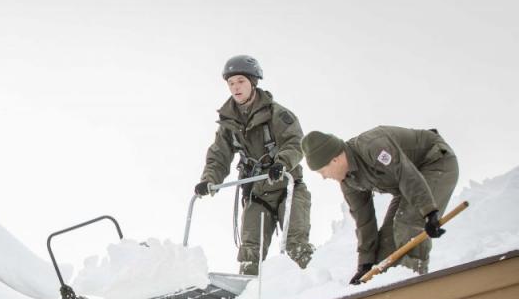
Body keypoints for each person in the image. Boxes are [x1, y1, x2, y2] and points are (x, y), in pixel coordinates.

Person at [194, 55, 314, 275]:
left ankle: (307, 289)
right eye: (231, 83)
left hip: (289, 187)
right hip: (258, 193)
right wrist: (209, 180)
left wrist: (282, 163)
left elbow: (296, 142)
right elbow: (219, 155)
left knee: (296, 245)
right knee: (249, 253)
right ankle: (249, 298)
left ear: (253, 82)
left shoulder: (277, 114)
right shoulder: (229, 123)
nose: (236, 88)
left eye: (240, 81)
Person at [301, 127, 459, 282]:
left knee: (408, 223)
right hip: (405, 185)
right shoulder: (348, 181)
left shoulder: (372, 147)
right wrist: (365, 264)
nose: (323, 177)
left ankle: (414, 284)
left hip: (435, 161)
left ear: (334, 160)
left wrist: (429, 212)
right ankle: (388, 297)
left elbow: (406, 173)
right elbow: (364, 220)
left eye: (322, 171)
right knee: (385, 249)